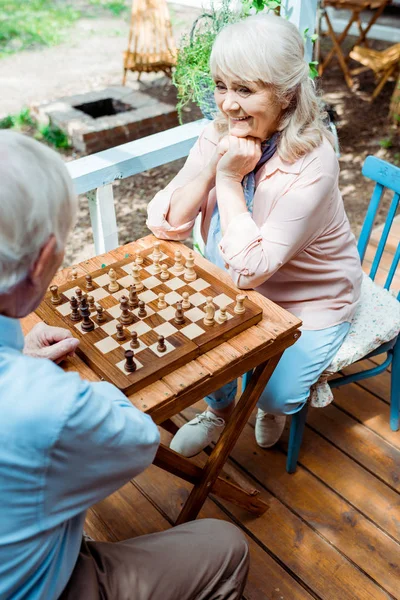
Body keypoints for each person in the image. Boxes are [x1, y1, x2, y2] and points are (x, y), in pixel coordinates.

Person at [0, 131, 249, 600]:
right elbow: (137, 441)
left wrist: (19, 359)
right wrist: (65, 388)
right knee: (226, 543)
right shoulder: (45, 405)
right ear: (44, 262)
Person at [146, 12, 363, 458]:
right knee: (201, 359)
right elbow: (165, 223)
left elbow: (252, 270)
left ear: (285, 94)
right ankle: (220, 410)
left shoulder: (314, 161)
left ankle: (269, 408)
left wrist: (228, 185)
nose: (226, 104)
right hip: (230, 284)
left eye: (244, 89)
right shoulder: (220, 131)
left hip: (309, 297)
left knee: (274, 394)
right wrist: (212, 168)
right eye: (221, 85)